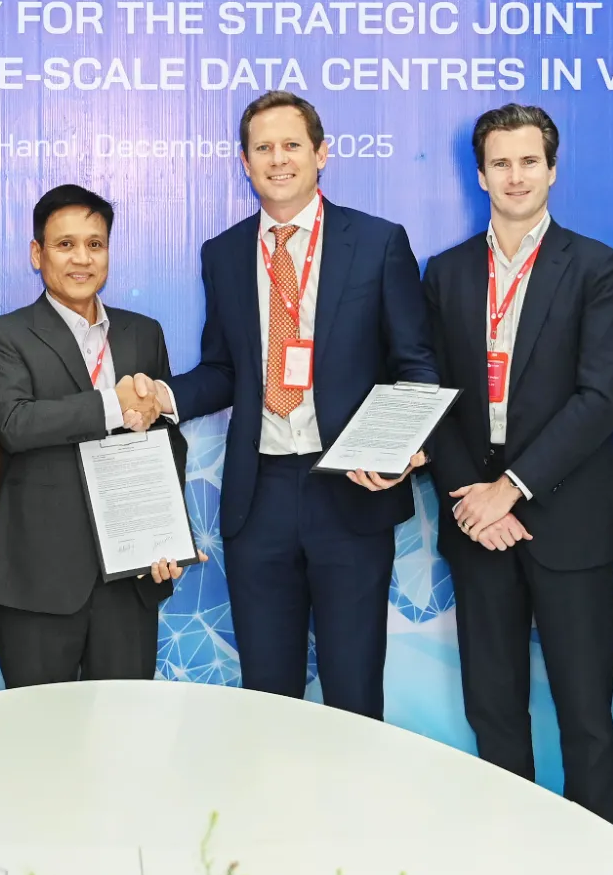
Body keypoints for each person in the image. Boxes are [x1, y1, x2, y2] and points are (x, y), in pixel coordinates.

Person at [141, 91, 436, 719]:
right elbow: (225, 370)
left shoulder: (378, 242)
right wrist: (164, 396)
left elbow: (415, 365)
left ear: (321, 154)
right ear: (244, 162)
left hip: (351, 492)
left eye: (292, 145)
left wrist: (401, 448)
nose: (278, 159)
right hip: (260, 498)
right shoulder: (223, 253)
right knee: (268, 699)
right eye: (263, 148)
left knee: (353, 692)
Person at [422, 104, 613, 821]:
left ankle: (595, 866)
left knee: (586, 718)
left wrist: (509, 489)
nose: (515, 176)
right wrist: (471, 494)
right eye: (500, 163)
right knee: (494, 711)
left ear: (551, 169)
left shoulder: (599, 268)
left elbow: (600, 399)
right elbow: (431, 393)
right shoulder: (447, 271)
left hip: (565, 523)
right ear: (480, 175)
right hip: (475, 525)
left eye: (528, 161)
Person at [0, 184, 190, 686]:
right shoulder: (5, 335)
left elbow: (166, 441)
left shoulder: (143, 332)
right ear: (37, 253)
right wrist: (114, 404)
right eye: (65, 244)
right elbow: (15, 424)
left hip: (132, 576)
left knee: (125, 723)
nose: (82, 258)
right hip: (40, 579)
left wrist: (168, 538)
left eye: (95, 244)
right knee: (38, 727)